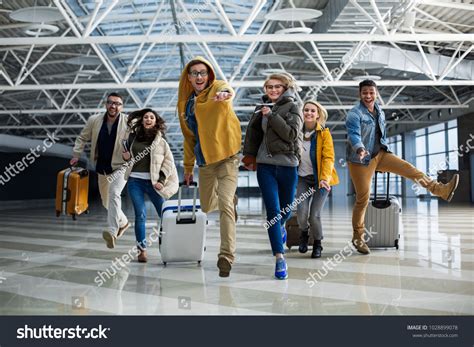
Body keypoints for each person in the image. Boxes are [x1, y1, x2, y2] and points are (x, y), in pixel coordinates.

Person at [346, 79, 459, 255]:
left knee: (410, 169)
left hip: (381, 154)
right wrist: (360, 149)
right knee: (363, 199)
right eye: (364, 93)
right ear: (359, 94)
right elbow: (354, 134)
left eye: (371, 92)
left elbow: (379, 135)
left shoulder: (379, 111)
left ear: (376, 93)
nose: (368, 96)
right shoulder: (354, 113)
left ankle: (440, 190)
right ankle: (358, 237)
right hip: (360, 160)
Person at [177, 56, 241, 278]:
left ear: (209, 74)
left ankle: (226, 256)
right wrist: (187, 167)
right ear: (188, 77)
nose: (199, 77)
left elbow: (227, 89)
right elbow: (189, 138)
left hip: (228, 157)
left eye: (203, 72)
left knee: (224, 206)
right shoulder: (186, 106)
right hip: (205, 161)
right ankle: (232, 199)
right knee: (206, 206)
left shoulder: (217, 88)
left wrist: (225, 95)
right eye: (194, 73)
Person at [242, 72, 303, 280]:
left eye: (277, 86)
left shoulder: (294, 107)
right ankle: (279, 257)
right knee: (273, 213)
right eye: (269, 87)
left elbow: (292, 135)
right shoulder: (261, 108)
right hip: (265, 165)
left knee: (284, 211)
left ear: (286, 88)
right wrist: (249, 156)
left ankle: (281, 228)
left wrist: (272, 116)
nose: (273, 90)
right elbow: (253, 134)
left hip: (287, 165)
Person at [70, 92, 130, 249]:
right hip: (102, 168)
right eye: (110, 102)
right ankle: (123, 222)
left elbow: (138, 140)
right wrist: (76, 154)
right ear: (106, 104)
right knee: (106, 202)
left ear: (121, 107)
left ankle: (112, 230)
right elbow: (82, 138)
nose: (113, 106)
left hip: (121, 166)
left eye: (117, 103)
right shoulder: (94, 120)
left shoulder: (129, 122)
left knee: (114, 193)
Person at [122, 108, 179, 263]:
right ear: (142, 120)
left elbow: (168, 162)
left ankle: (169, 245)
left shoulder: (161, 141)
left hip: (154, 183)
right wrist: (125, 157)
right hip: (135, 181)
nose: (148, 119)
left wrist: (161, 181)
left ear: (156, 121)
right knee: (140, 215)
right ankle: (142, 250)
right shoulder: (132, 138)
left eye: (151, 117)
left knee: (165, 216)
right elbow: (127, 156)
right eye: (146, 117)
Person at [297, 100, 339, 258]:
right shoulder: (296, 133)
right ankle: (303, 233)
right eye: (306, 110)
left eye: (312, 111)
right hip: (302, 177)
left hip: (320, 180)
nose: (308, 113)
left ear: (318, 115)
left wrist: (324, 178)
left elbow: (328, 157)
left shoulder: (324, 134)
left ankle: (317, 244)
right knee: (301, 212)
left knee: (314, 214)